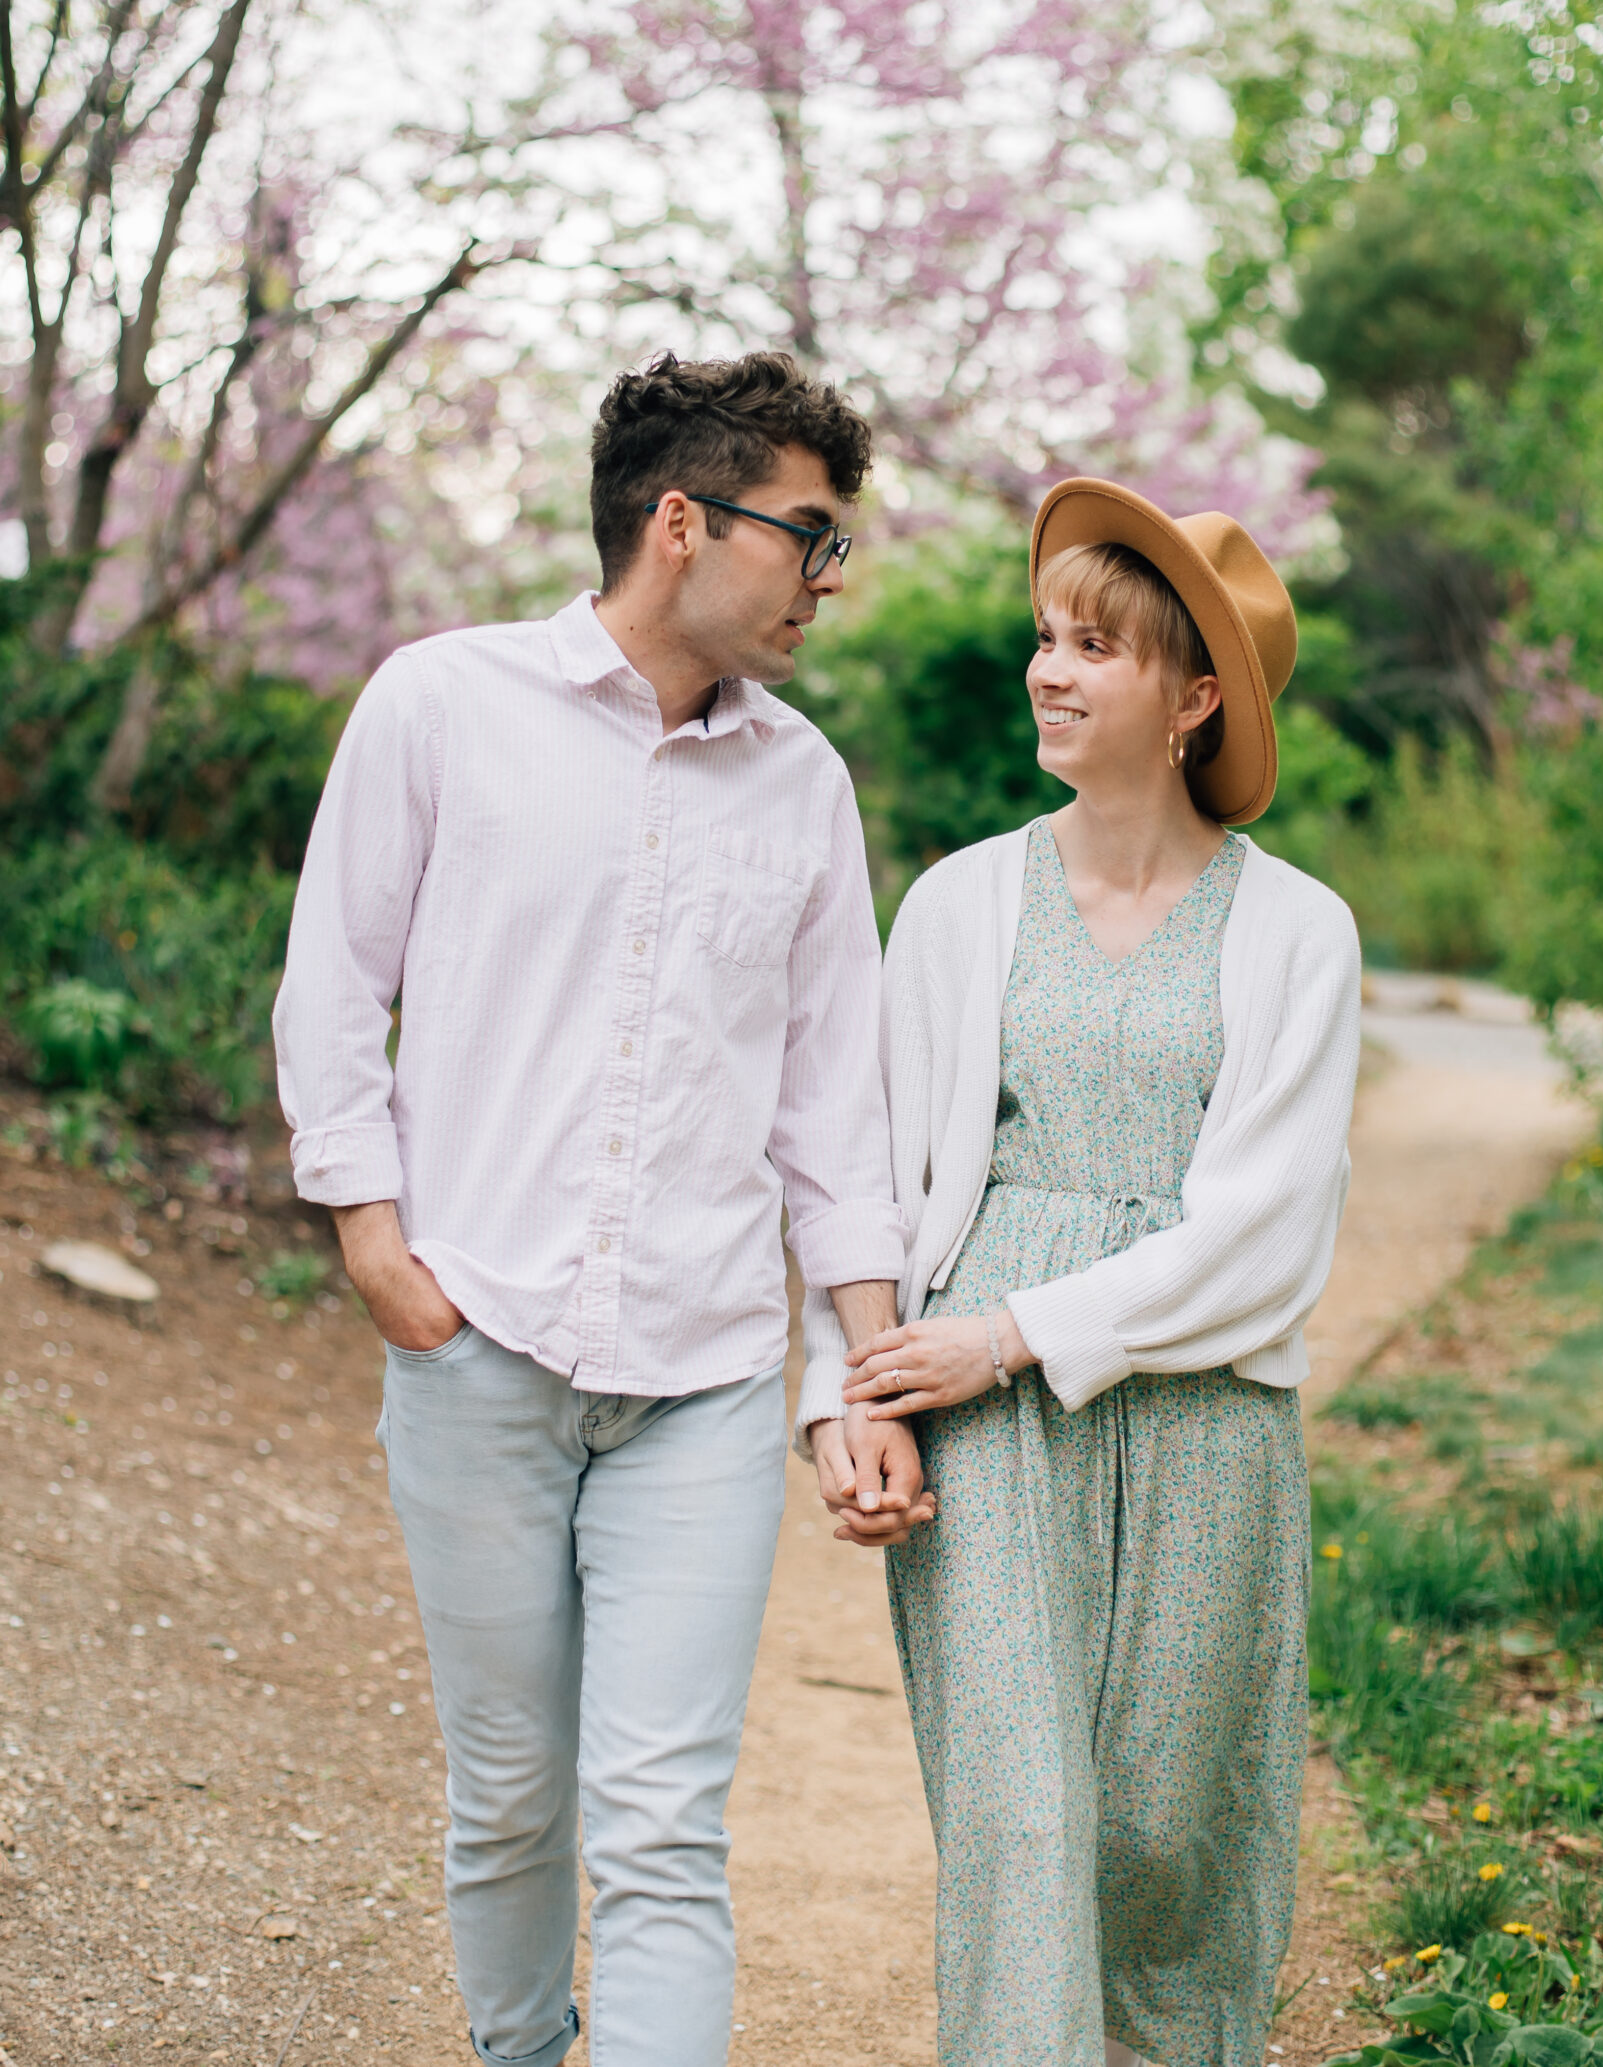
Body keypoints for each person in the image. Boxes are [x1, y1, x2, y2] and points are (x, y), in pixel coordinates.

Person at [273, 351, 933, 2067]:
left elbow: (830, 1111)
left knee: (659, 1825)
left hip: (702, 1385)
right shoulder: (439, 704)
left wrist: (865, 1367)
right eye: (807, 534)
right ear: (677, 520)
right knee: (508, 1800)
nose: (827, 577)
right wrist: (369, 1234)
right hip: (477, 1343)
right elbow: (333, 979)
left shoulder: (806, 787)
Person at [799, 475, 1361, 2067]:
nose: (1050, 668)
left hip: (1201, 1423)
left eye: (1097, 647)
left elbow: (1263, 1238)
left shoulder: (1298, 932)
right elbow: (878, 1180)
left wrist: (1019, 1336)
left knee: (1167, 1837)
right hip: (980, 1413)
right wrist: (854, 1400)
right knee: (1021, 1830)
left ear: (1193, 699)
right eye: (1046, 636)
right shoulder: (962, 901)